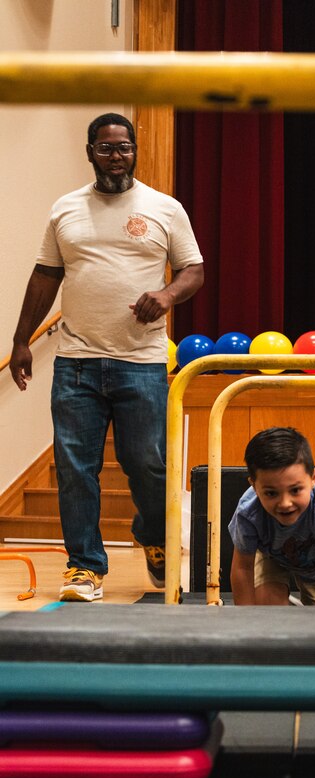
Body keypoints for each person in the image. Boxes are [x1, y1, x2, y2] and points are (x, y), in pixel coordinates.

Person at [9, 113, 204, 602]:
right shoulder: (66, 209)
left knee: (148, 465)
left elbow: (193, 270)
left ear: (134, 151)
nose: (116, 156)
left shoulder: (164, 208)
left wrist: (167, 294)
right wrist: (21, 340)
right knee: (75, 469)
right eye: (106, 148)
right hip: (76, 361)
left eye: (124, 147)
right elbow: (45, 275)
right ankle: (84, 568)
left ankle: (154, 537)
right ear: (90, 152)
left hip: (142, 362)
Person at [228, 427, 315, 607]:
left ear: (313, 478)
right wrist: (245, 618)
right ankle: (281, 602)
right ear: (254, 486)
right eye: (271, 493)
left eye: (295, 490)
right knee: (268, 607)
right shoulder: (248, 512)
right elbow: (242, 568)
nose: (285, 503)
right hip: (271, 556)